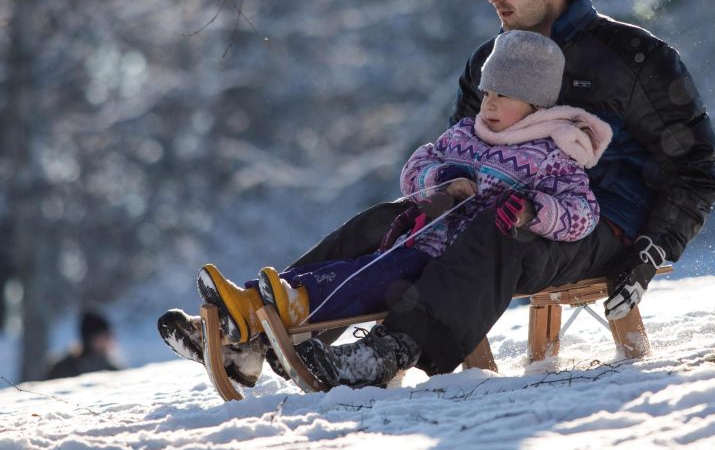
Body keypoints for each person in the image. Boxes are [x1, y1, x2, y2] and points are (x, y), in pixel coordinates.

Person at [266, 0, 715, 388]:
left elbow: (696, 166)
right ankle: (269, 322)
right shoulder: (489, 60)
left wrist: (650, 251)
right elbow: (458, 148)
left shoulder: (634, 58)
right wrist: (441, 186)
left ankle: (388, 352)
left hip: (597, 223)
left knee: (501, 224)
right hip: (490, 215)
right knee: (390, 219)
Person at [159, 30, 614, 388]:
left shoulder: (554, 153)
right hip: (421, 238)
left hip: (463, 259)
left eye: (503, 95)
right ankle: (250, 328)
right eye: (488, 91)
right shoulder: (465, 135)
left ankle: (376, 352)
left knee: (366, 276)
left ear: (536, 104)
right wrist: (440, 182)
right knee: (374, 221)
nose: (489, 102)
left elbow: (582, 213)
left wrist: (534, 212)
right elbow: (416, 167)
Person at [45, 310, 121, 379]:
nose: (109, 339)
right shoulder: (63, 368)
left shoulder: (111, 368)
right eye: (103, 335)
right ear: (90, 338)